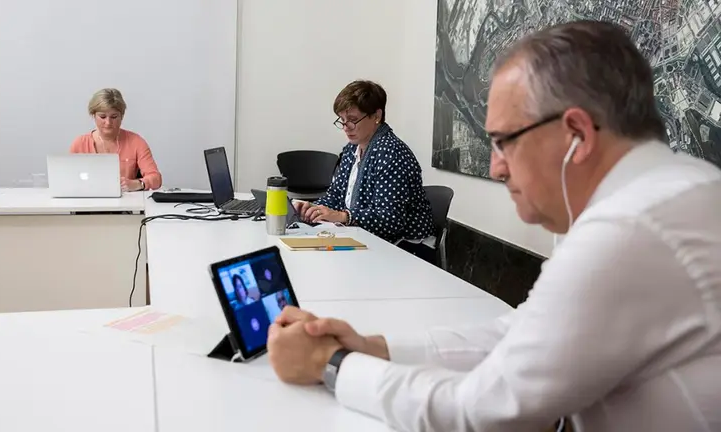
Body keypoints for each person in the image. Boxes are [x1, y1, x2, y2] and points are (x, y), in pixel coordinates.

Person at [266, 20, 721, 431]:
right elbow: (522, 335)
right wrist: (373, 347)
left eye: (504, 142)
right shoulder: (664, 196)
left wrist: (332, 364)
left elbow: (487, 410)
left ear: (578, 135)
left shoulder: (630, 233)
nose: (496, 167)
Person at [293, 80, 435, 248]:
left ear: (376, 116)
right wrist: (313, 209)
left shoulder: (391, 153)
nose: (346, 127)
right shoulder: (351, 149)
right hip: (368, 237)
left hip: (406, 247)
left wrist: (343, 217)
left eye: (352, 120)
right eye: (342, 120)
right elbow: (336, 195)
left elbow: (391, 219)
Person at [70, 88, 162, 191]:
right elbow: (68, 178)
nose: (108, 123)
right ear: (93, 115)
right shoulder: (80, 144)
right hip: (87, 199)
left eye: (114, 117)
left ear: (122, 116)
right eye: (102, 117)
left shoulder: (136, 142)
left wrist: (138, 184)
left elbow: (156, 178)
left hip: (126, 200)